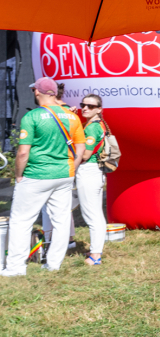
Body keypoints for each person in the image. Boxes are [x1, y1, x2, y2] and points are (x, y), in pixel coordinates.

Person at [1, 78, 85, 276]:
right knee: (61, 220)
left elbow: (23, 152)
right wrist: (71, 168)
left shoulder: (33, 116)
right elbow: (81, 148)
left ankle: (15, 268)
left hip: (36, 174)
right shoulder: (72, 117)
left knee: (21, 220)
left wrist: (18, 175)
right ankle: (53, 264)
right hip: (64, 174)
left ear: (37, 92)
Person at [77, 94, 109, 265]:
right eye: (83, 105)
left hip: (88, 170)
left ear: (99, 109)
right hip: (95, 171)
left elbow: (86, 154)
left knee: (91, 215)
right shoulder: (98, 124)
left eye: (90, 106)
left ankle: (96, 255)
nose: (85, 108)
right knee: (95, 213)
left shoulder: (91, 128)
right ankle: (96, 251)